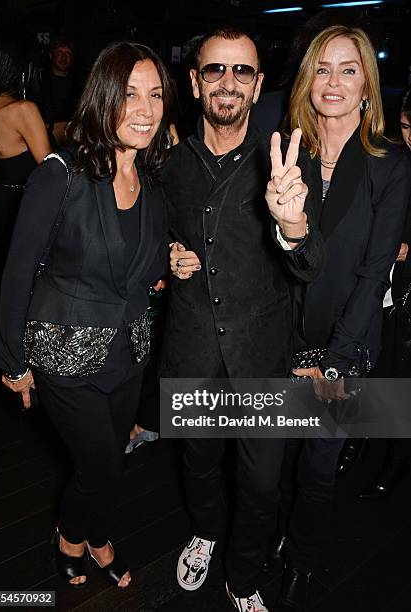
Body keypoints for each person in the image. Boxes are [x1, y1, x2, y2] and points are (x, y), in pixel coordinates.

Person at [0, 41, 174, 589]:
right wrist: (13, 361)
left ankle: (95, 536)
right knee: (103, 466)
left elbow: (136, 267)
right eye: (129, 95)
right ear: (102, 98)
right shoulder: (61, 172)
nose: (145, 110)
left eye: (155, 95)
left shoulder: (152, 182)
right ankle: (77, 537)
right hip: (65, 355)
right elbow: (17, 272)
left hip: (127, 355)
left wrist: (166, 264)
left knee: (107, 462)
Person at [160, 26, 324, 612]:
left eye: (242, 72)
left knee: (259, 485)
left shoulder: (283, 160)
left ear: (257, 87)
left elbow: (308, 265)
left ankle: (243, 576)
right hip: (192, 349)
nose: (227, 83)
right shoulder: (170, 162)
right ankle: (204, 532)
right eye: (214, 70)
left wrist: (293, 224)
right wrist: (167, 257)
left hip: (261, 355)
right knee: (198, 465)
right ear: (194, 80)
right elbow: (149, 237)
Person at [276, 25, 411, 610]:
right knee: (275, 449)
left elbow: (374, 271)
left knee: (320, 460)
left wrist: (333, 365)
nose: (334, 82)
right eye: (323, 69)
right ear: (308, 80)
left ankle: (305, 557)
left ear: (367, 85)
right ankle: (274, 532)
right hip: (282, 333)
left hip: (345, 341)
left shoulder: (389, 162)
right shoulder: (286, 151)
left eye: (348, 69)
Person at [357, 86, 411, 501]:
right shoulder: (395, 161)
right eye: (408, 127)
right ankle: (363, 442)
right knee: (381, 372)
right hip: (391, 292)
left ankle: (396, 456)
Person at [0, 33, 52, 301]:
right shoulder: (23, 109)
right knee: (25, 284)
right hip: (26, 203)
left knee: (4, 277)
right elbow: (52, 170)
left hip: (1, 201)